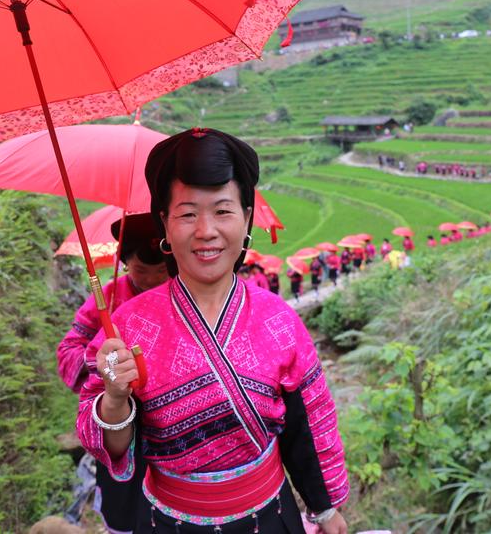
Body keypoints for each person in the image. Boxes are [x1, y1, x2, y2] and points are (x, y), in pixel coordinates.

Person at [77, 128, 349, 534]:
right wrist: (115, 400)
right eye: (187, 213)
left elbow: (305, 427)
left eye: (223, 211)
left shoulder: (280, 321)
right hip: (168, 522)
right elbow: (108, 446)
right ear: (164, 225)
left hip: (269, 519)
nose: (206, 230)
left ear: (246, 219)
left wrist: (325, 509)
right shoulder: (129, 326)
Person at [56, 213, 169, 533]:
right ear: (124, 262)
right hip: (119, 417)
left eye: (161, 271)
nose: (150, 281)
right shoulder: (105, 299)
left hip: (169, 426)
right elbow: (67, 353)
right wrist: (104, 364)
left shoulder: (184, 292)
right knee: (127, 506)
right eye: (141, 270)